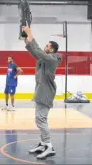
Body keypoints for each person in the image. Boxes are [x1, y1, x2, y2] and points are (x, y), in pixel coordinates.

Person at [21, 26, 62, 159]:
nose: (45, 47)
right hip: (41, 92)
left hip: (46, 93)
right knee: (40, 119)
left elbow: (39, 52)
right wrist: (25, 39)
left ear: (52, 50)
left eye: (47, 46)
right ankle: (43, 143)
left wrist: (30, 33)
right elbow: (35, 53)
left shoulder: (52, 59)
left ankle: (49, 147)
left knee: (41, 120)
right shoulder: (44, 59)